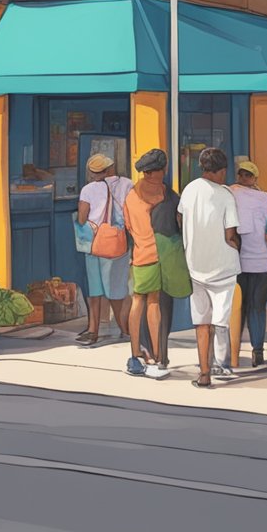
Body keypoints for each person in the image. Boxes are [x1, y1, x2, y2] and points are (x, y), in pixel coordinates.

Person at [180, 148, 241, 388]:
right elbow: (230, 234)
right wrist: (237, 247)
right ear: (222, 170)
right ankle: (222, 364)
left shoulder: (189, 189)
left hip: (195, 266)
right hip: (222, 266)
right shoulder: (225, 195)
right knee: (222, 319)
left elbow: (180, 218)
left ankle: (204, 373)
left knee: (201, 322)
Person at [122, 149, 181, 380]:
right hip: (158, 255)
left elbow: (127, 225)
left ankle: (135, 352)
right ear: (160, 171)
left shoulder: (131, 194)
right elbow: (176, 222)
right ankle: (157, 356)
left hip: (139, 254)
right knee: (154, 303)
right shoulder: (164, 195)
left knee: (137, 300)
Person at [75, 153, 134, 346]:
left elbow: (82, 218)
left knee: (95, 289)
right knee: (116, 289)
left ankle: (93, 331)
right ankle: (125, 329)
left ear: (93, 172)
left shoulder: (88, 190)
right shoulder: (127, 184)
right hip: (118, 242)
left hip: (94, 243)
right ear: (110, 167)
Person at [229, 161, 267, 367]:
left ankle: (234, 350)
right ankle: (258, 351)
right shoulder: (265, 198)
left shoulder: (231, 192)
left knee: (238, 308)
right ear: (255, 179)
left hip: (239, 263)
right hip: (263, 263)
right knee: (258, 308)